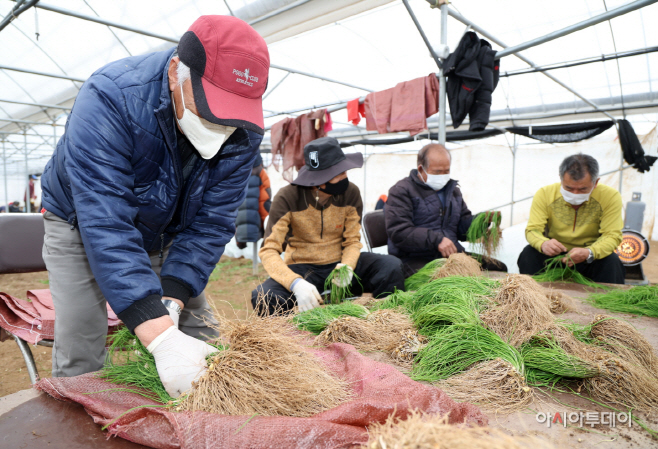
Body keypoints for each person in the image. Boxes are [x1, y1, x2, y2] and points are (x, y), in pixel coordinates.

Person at [39, 16, 269, 397]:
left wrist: (174, 295)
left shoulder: (245, 130)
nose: (221, 124)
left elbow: (212, 222)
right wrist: (159, 336)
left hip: (167, 229)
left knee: (202, 336)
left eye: (231, 116)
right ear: (178, 71)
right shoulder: (111, 96)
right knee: (82, 336)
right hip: (81, 221)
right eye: (209, 108)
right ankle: (75, 413)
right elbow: (106, 222)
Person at [252, 137, 405, 315]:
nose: (345, 177)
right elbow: (268, 250)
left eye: (344, 170)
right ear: (318, 180)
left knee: (391, 267)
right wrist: (295, 283)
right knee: (263, 296)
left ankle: (387, 321)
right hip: (303, 269)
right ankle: (290, 339)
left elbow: (352, 241)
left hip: (341, 267)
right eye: (338, 174)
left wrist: (347, 266)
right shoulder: (287, 198)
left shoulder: (351, 193)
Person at [385, 143, 507, 277]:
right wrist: (437, 240)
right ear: (421, 169)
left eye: (446, 171)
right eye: (437, 172)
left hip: (452, 255)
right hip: (416, 258)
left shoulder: (453, 191)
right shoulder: (401, 191)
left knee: (499, 267)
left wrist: (481, 222)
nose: (443, 176)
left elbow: (461, 230)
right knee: (451, 280)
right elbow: (399, 231)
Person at [518, 154, 624, 284]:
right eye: (568, 188)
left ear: (596, 182)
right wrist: (543, 243)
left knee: (611, 261)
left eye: (582, 189)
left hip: (589, 258)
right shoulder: (545, 194)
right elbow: (532, 230)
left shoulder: (610, 196)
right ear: (561, 179)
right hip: (554, 257)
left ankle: (606, 302)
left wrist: (590, 252)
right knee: (528, 254)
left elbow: (612, 235)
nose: (575, 194)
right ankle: (532, 300)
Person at [235, 152, 271, 249]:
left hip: (240, 221)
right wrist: (267, 228)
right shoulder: (260, 172)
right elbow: (265, 200)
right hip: (256, 222)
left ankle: (241, 241)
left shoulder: (234, 171)